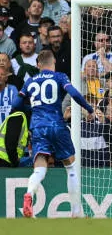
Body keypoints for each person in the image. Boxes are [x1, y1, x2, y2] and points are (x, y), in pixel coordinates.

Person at [14, 50, 94, 217]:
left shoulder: (30, 80)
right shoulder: (59, 76)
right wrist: (89, 109)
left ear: (38, 65)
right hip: (56, 124)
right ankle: (76, 212)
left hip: (37, 127)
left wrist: (34, 108)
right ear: (54, 62)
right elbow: (73, 94)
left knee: (39, 169)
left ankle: (29, 194)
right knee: (71, 167)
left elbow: (16, 104)